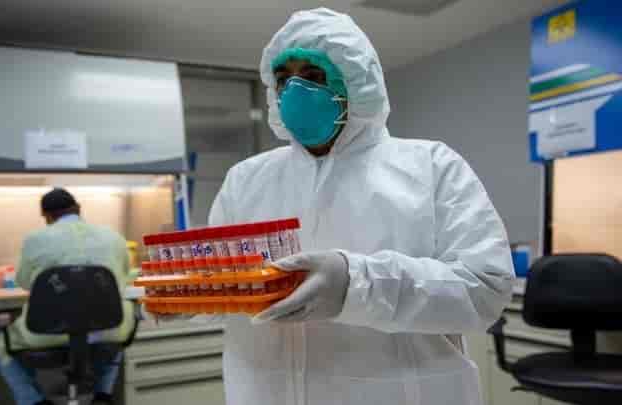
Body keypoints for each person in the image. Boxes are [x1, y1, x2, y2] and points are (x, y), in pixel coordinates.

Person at [206, 8, 515, 405]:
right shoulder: (246, 180)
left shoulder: (431, 166)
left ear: (356, 81)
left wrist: (356, 284)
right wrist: (186, 300)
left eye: (314, 76)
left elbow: (485, 289)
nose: (296, 90)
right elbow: (223, 283)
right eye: (283, 78)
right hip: (264, 391)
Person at [0, 188, 135, 405]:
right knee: (116, 336)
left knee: (1, 348)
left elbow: (25, 282)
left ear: (47, 217)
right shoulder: (114, 237)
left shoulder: (35, 239)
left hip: (47, 334)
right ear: (78, 209)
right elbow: (121, 280)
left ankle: (33, 401)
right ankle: (102, 395)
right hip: (107, 331)